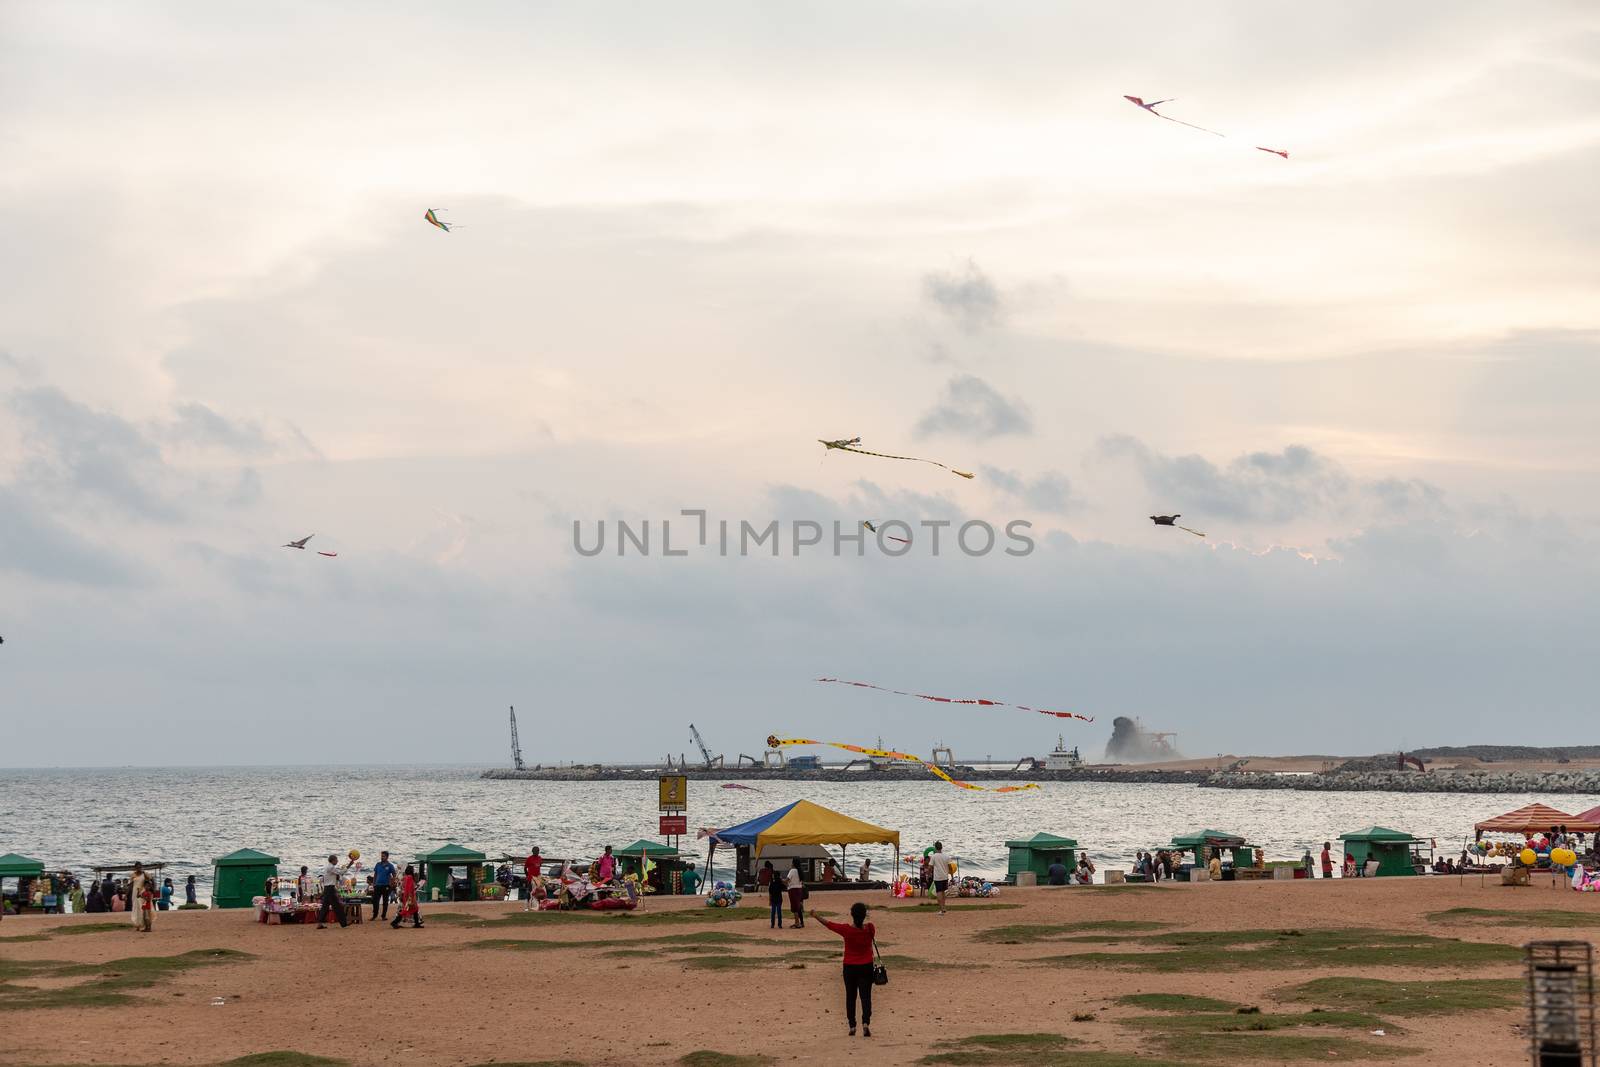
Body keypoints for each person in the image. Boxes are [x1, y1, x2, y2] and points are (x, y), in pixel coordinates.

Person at [817, 902, 877, 1038]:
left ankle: (852, 1025)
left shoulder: (846, 930)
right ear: (864, 915)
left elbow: (829, 924)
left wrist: (816, 916)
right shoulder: (870, 928)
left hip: (849, 966)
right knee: (866, 997)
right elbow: (868, 929)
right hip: (866, 965)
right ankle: (866, 1023)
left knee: (851, 997)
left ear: (852, 915)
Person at [316, 854, 349, 929]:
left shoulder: (328, 867)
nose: (337, 861)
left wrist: (347, 866)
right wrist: (348, 866)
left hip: (327, 888)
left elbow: (339, 872)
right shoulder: (331, 867)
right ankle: (344, 924)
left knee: (325, 907)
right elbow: (340, 872)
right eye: (336, 860)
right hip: (330, 889)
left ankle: (320, 923)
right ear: (333, 860)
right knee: (337, 906)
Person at [391, 864, 423, 928]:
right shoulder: (409, 877)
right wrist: (409, 897)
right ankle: (394, 922)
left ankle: (416, 923)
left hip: (408, 896)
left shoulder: (405, 877)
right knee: (406, 910)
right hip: (409, 897)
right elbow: (408, 888)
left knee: (415, 909)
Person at [130, 863, 155, 932]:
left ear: (141, 867)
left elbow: (152, 880)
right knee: (136, 908)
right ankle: (138, 924)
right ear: (135, 868)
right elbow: (131, 885)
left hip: (143, 892)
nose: (139, 868)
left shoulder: (145, 874)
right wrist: (127, 895)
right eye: (137, 867)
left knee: (144, 908)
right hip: (135, 892)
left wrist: (152, 889)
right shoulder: (133, 875)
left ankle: (146, 925)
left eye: (140, 867)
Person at [372, 851, 396, 921]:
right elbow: (375, 874)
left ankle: (383, 916)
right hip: (377, 885)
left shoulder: (390, 865)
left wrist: (392, 882)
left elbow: (394, 874)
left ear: (387, 857)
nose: (382, 857)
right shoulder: (378, 864)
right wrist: (374, 883)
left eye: (383, 856)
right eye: (381, 856)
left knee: (385, 902)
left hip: (386, 886)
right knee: (375, 901)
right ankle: (374, 915)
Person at [929, 842, 952, 914]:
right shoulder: (946, 856)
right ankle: (944, 907)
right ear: (941, 847)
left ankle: (942, 909)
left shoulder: (934, 856)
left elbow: (930, 866)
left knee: (938, 892)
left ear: (935, 848)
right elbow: (950, 867)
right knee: (943, 892)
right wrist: (951, 875)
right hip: (945, 876)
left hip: (938, 877)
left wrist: (930, 872)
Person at [786, 861, 806, 928]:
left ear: (793, 863)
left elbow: (787, 880)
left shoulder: (792, 871)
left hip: (792, 889)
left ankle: (797, 923)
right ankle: (801, 922)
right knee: (798, 905)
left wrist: (780, 880)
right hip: (799, 889)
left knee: (794, 907)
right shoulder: (799, 871)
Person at [764, 862, 784, 929]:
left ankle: (772, 924)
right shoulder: (780, 882)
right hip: (779, 899)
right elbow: (784, 887)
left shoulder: (772, 883)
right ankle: (779, 924)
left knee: (773, 912)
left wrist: (769, 900)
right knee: (779, 912)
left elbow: (770, 893)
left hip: (773, 899)